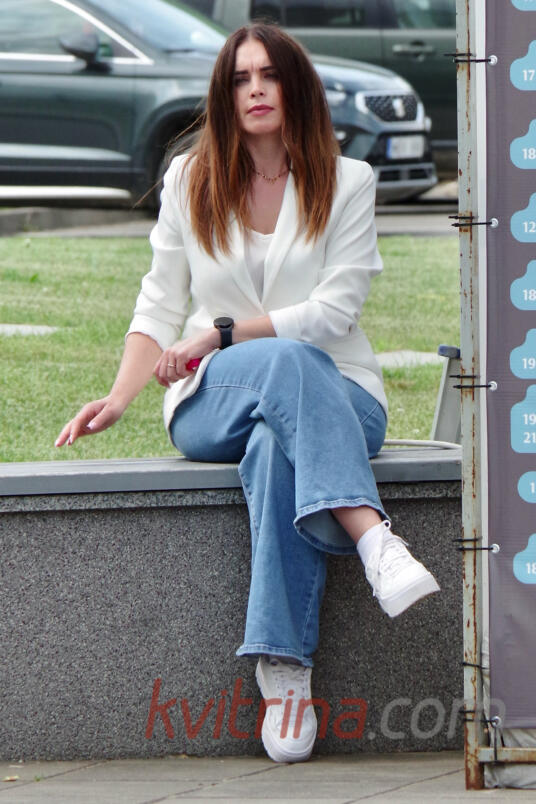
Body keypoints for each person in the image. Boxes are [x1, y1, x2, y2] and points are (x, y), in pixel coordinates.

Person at [56, 22, 440, 764]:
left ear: (295, 88)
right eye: (240, 78)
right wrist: (120, 397)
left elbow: (335, 315)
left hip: (343, 395)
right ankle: (374, 539)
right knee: (282, 373)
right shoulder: (189, 179)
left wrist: (223, 332)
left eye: (269, 75)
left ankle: (284, 671)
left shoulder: (349, 181)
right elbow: (159, 304)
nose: (256, 89)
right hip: (215, 399)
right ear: (225, 95)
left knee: (275, 441)